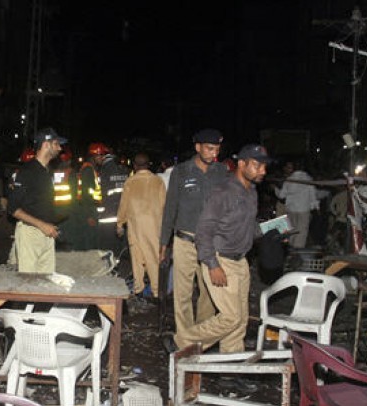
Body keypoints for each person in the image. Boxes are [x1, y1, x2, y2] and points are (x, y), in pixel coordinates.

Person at [170, 144, 271, 353]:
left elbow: (247, 229)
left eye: (264, 166)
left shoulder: (251, 192)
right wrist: (212, 265)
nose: (263, 171)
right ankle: (181, 342)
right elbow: (204, 231)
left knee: (240, 320)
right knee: (230, 317)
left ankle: (231, 364)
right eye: (257, 165)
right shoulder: (223, 192)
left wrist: (271, 231)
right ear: (241, 164)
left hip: (241, 261)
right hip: (221, 260)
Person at [160, 129, 228, 350]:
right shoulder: (181, 172)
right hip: (184, 241)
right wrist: (164, 243)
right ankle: (185, 340)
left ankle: (199, 338)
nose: (213, 153)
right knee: (182, 294)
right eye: (209, 148)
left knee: (209, 294)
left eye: (217, 149)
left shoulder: (222, 172)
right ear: (197, 147)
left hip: (211, 243)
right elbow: (170, 209)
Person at [6, 127, 65, 273]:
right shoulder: (27, 171)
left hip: (47, 234)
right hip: (30, 234)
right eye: (56, 144)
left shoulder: (47, 171)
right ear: (46, 145)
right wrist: (42, 225)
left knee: (45, 284)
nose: (60, 148)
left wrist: (49, 224)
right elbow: (12, 208)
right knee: (29, 284)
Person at [116, 152, 165, 298]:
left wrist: (120, 224)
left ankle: (138, 289)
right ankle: (157, 291)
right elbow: (164, 204)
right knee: (153, 258)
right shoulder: (158, 181)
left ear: (135, 166)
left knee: (137, 258)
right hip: (154, 226)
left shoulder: (130, 182)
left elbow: (123, 205)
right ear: (148, 164)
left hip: (136, 226)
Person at [275, 160, 318, 248]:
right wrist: (315, 207)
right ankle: (298, 250)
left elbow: (282, 195)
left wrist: (276, 189)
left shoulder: (289, 179)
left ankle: (291, 248)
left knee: (292, 229)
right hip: (304, 209)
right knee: (302, 231)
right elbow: (313, 195)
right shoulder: (308, 179)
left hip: (291, 209)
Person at [71, 143, 104, 250]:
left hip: (89, 210)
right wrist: (89, 215)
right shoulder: (88, 171)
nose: (102, 158)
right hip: (88, 211)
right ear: (93, 156)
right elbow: (85, 195)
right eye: (100, 155)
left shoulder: (90, 169)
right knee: (89, 243)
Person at [97, 148, 129, 252]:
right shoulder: (123, 168)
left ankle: (112, 264)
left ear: (103, 157)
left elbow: (102, 192)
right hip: (123, 211)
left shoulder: (105, 169)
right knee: (120, 240)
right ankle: (119, 260)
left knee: (108, 243)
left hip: (108, 211)